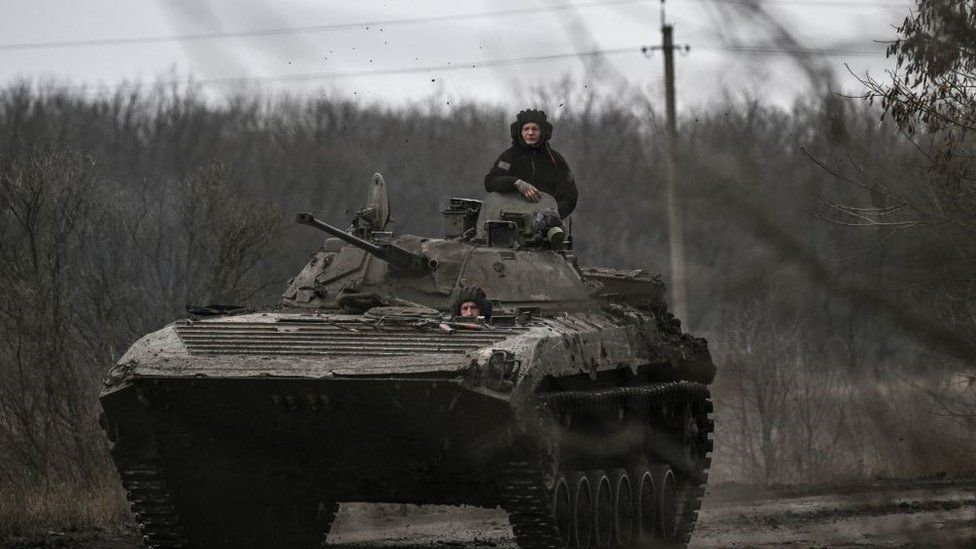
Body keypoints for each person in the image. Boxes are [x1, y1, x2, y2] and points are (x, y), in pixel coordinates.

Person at [484, 109, 579, 219]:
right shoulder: (508, 157)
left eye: (535, 129)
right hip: (511, 219)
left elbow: (570, 195)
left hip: (547, 223)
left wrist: (555, 214)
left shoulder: (555, 159)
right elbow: (491, 181)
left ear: (542, 132)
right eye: (526, 129)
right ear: (519, 131)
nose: (530, 133)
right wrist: (516, 183)